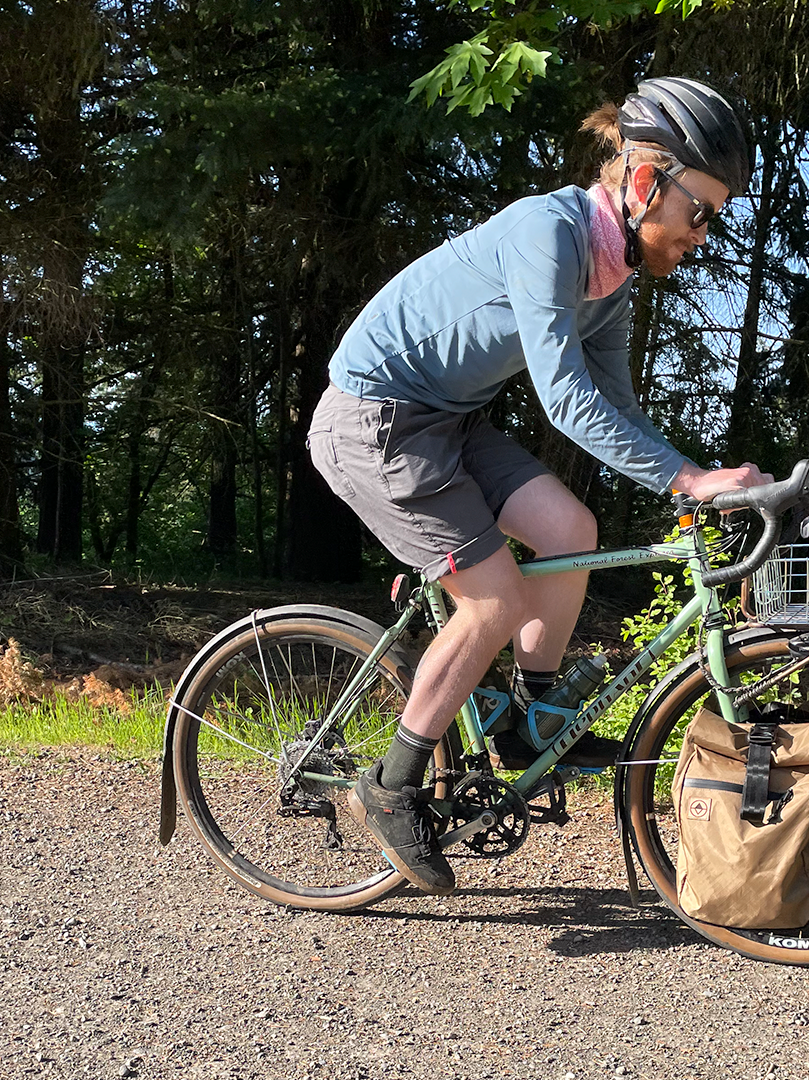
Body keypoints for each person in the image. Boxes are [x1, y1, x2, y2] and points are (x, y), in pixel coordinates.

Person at [308, 76, 772, 896]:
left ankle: (531, 721)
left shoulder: (612, 276)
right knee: (494, 602)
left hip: (445, 419)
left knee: (571, 530)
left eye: (716, 217)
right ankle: (389, 784)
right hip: (372, 420)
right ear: (641, 183)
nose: (705, 234)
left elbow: (618, 406)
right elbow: (564, 400)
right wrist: (690, 478)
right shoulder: (546, 233)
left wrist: (697, 485)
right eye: (699, 211)